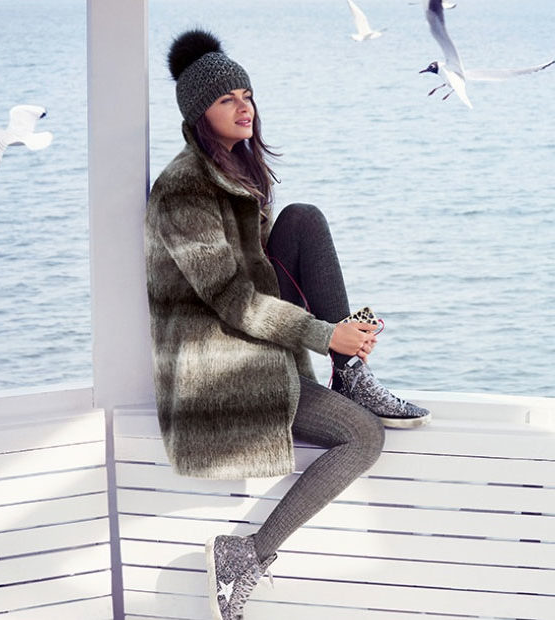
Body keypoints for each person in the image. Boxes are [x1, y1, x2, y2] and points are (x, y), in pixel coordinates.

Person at [145, 29, 431, 620]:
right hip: (222, 374)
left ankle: (351, 374)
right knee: (363, 436)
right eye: (227, 99)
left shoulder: (237, 175)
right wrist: (325, 334)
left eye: (247, 94)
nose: (244, 106)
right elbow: (234, 302)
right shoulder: (182, 190)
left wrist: (337, 341)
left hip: (259, 350)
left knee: (303, 220)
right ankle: (247, 553)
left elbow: (264, 274)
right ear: (199, 113)